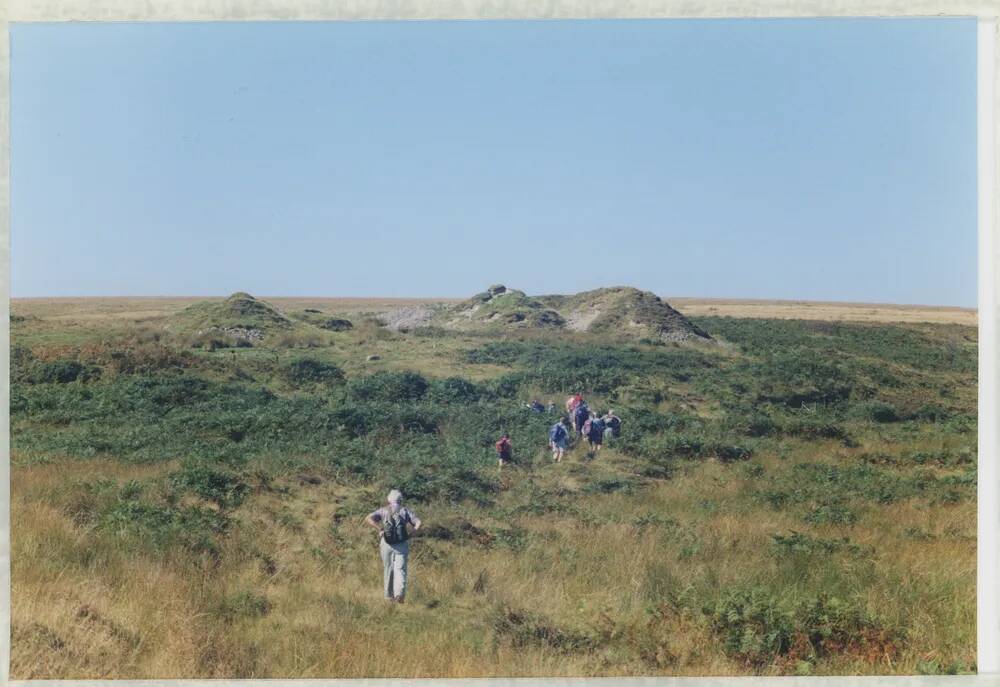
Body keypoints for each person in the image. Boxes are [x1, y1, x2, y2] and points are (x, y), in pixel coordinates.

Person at [365, 489, 422, 603]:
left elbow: (368, 518)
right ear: (400, 499)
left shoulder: (383, 510)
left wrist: (380, 529)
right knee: (400, 569)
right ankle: (400, 594)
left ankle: (388, 597)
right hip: (402, 543)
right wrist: (412, 533)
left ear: (388, 499)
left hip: (386, 542)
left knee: (388, 569)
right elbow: (419, 522)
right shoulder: (405, 511)